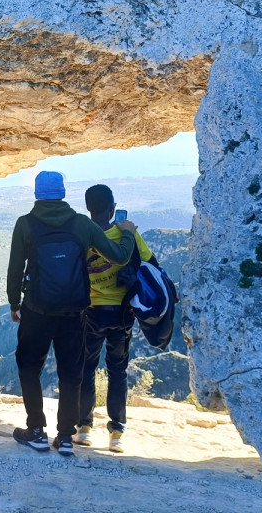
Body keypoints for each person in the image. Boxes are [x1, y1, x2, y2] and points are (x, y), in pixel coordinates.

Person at [6, 171, 137, 456]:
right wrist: (127, 233)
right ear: (63, 193)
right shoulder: (81, 224)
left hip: (37, 310)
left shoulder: (26, 225)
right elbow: (119, 255)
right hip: (74, 311)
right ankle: (66, 436)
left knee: (29, 366)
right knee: (71, 372)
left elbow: (15, 268)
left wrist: (14, 303)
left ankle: (37, 431)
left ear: (37, 194)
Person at [78, 184, 157, 453]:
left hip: (91, 312)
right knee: (118, 371)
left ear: (88, 209)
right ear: (112, 209)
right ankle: (117, 433)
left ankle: (84, 428)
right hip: (122, 314)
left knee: (86, 368)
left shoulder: (82, 236)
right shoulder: (128, 235)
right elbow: (151, 265)